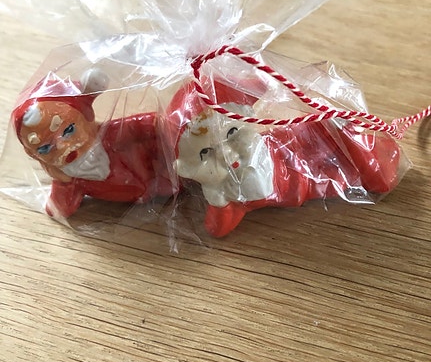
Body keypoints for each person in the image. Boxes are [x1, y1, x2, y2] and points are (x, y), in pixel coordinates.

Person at [166, 79, 402, 237]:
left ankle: (372, 163)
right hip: (315, 187)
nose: (227, 154)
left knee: (352, 162)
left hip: (318, 174)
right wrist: (218, 201)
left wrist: (329, 124)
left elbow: (304, 136)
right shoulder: (227, 193)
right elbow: (217, 229)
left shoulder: (277, 144)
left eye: (232, 133)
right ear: (186, 169)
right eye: (206, 153)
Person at [13, 70, 174, 218]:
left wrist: (159, 125)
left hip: (156, 168)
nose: (63, 147)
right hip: (147, 196)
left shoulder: (109, 136)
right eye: (45, 148)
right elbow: (59, 210)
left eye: (69, 130)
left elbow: (142, 126)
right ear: (34, 155)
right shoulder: (72, 180)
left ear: (86, 117)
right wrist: (63, 182)